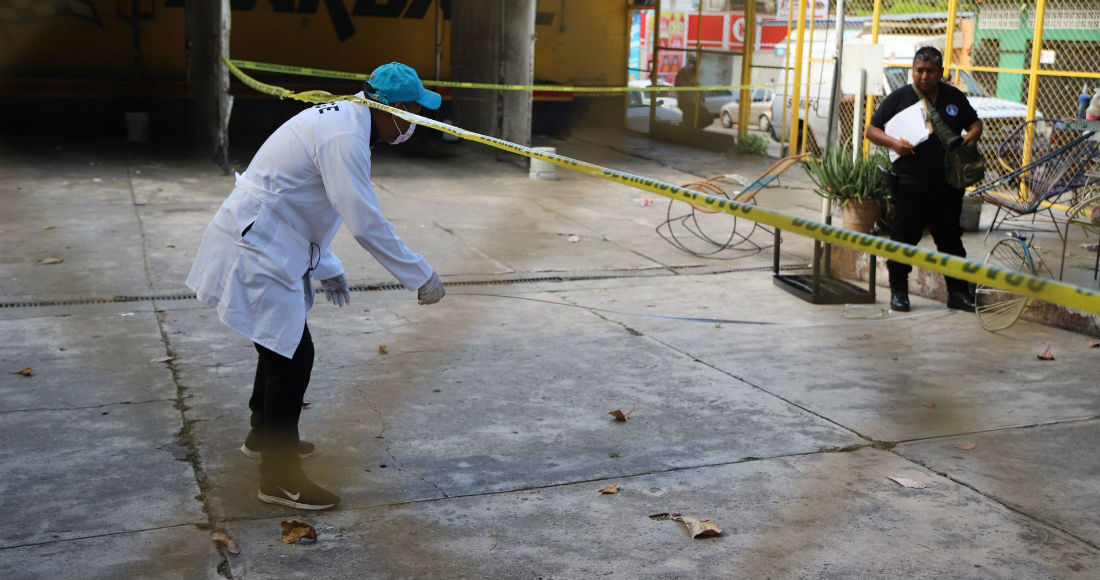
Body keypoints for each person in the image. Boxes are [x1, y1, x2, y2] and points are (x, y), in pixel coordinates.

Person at [186, 62, 446, 511]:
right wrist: (419, 273)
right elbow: (363, 218)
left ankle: (262, 437)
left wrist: (326, 263)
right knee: (291, 354)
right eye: (414, 113)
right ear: (393, 109)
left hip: (271, 237)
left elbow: (312, 198)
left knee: (276, 346)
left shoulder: (349, 121)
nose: (414, 125)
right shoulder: (346, 136)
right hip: (260, 245)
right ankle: (279, 477)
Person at [865, 46, 982, 312]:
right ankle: (899, 292)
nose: (924, 76)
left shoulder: (954, 97)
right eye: (919, 71)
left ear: (940, 72)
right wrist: (894, 143)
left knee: (951, 239)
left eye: (930, 71)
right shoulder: (900, 98)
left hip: (947, 184)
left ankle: (958, 293)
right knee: (904, 238)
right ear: (913, 71)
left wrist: (973, 133)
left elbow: (975, 122)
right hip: (910, 182)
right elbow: (871, 129)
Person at [674, 54, 709, 129]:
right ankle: (694, 131)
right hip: (691, 103)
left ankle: (689, 131)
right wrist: (700, 54)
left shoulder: (681, 73)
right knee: (707, 118)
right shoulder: (689, 72)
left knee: (688, 121)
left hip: (683, 102)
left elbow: (676, 86)